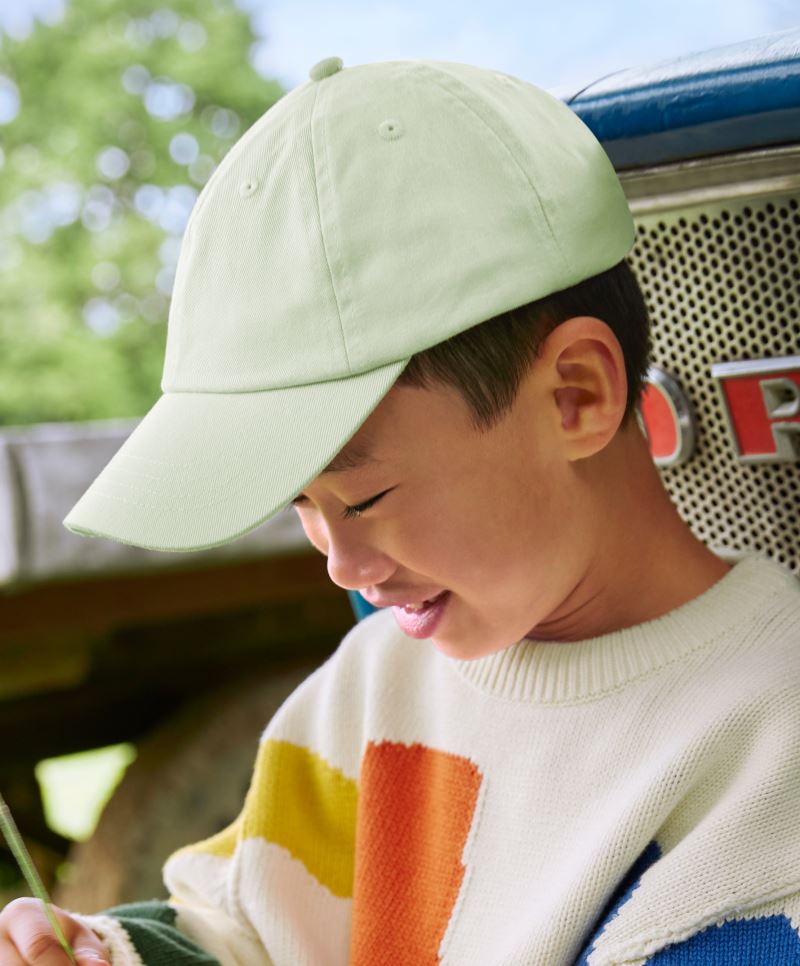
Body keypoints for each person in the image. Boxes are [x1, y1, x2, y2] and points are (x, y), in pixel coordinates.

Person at [2, 54, 799, 966]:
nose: (340, 564)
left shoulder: (765, 748)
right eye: (302, 504)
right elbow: (251, 928)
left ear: (575, 396)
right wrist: (109, 953)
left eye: (366, 497)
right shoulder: (373, 687)